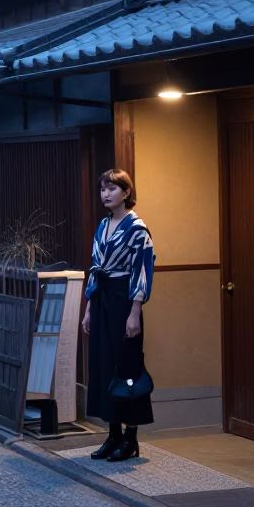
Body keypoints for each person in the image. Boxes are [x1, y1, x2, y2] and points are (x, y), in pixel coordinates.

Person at [81, 168, 155, 463]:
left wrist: (135, 312)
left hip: (124, 301)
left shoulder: (138, 229)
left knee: (127, 367)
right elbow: (94, 267)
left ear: (126, 193)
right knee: (104, 365)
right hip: (101, 300)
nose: (105, 194)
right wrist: (89, 308)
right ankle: (112, 434)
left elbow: (142, 271)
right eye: (103, 189)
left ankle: (130, 438)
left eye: (111, 188)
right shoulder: (102, 225)